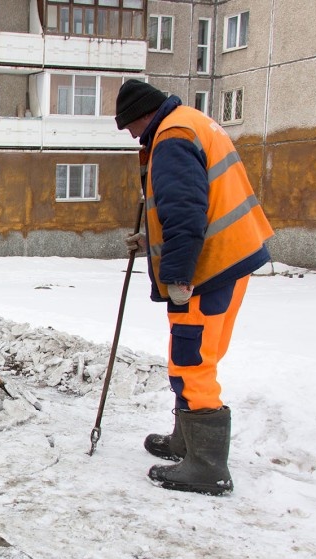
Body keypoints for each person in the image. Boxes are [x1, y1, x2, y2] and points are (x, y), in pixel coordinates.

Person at [114, 79, 274, 496]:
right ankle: (187, 442)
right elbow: (205, 199)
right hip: (232, 257)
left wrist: (179, 276)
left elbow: (184, 210)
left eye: (130, 127)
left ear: (143, 117)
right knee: (199, 353)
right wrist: (150, 242)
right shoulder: (193, 122)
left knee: (191, 357)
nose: (132, 136)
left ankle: (206, 467)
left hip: (207, 268)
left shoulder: (171, 137)